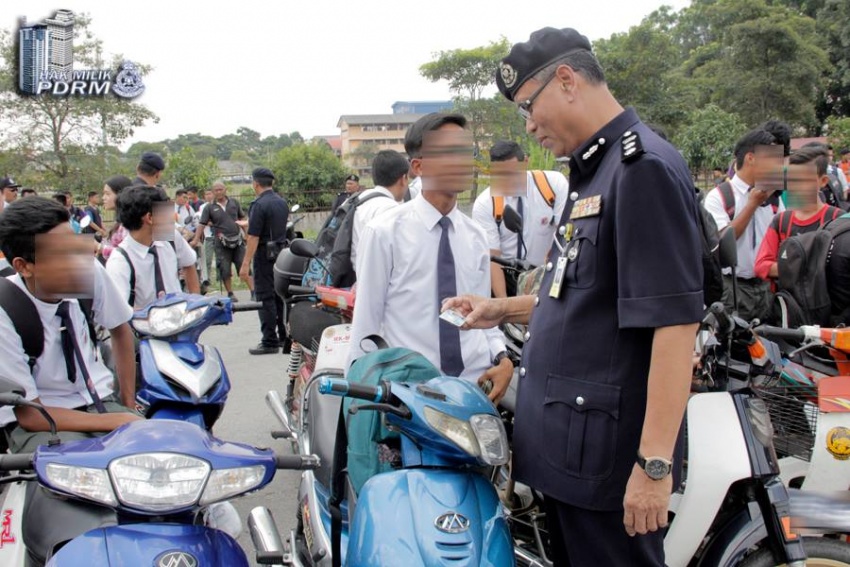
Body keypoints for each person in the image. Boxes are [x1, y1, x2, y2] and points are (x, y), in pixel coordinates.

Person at [443, 28, 703, 566]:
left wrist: (653, 466)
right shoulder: (592, 175)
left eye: (527, 109)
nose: (530, 125)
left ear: (565, 81)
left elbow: (674, 323)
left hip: (607, 462)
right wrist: (502, 308)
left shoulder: (641, 169)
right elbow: (582, 296)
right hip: (570, 453)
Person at [348, 113, 512, 403]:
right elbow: (366, 325)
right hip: (411, 391)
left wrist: (502, 357)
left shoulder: (475, 236)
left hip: (475, 386)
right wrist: (361, 401)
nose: (462, 161)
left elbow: (482, 313)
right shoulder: (385, 232)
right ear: (418, 166)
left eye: (466, 151)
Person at [0, 197, 140, 453]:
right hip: (43, 418)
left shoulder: (87, 271)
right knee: (68, 471)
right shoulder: (5, 310)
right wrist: (114, 420)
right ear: (23, 266)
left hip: (99, 400)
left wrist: (127, 404)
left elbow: (120, 329)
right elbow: (29, 416)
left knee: (152, 456)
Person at [703, 129, 784, 321]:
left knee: (766, 346)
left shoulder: (773, 197)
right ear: (751, 158)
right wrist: (752, 204)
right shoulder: (720, 196)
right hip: (733, 289)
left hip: (765, 288)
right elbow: (722, 244)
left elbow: (783, 235)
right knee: (732, 345)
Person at [471, 140, 568, 297]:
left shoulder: (552, 185)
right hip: (508, 278)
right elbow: (492, 259)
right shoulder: (486, 203)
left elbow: (564, 233)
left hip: (547, 273)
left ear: (526, 161)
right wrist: (504, 306)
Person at [755, 146, 844, 282]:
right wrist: (801, 268)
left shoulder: (839, 221)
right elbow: (761, 266)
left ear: (823, 181)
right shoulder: (782, 221)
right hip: (789, 302)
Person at [105, 185, 199, 309]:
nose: (171, 215)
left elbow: (189, 263)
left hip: (180, 322)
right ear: (150, 218)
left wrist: (196, 305)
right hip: (144, 326)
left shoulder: (170, 237)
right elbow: (118, 311)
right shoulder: (120, 260)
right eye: (165, 210)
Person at [240, 168, 289, 355]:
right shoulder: (281, 202)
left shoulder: (258, 205)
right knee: (280, 296)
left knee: (264, 297)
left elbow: (253, 237)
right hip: (281, 254)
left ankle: (269, 340)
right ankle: (284, 336)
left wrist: (245, 263)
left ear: (255, 183)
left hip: (264, 255)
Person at [350, 150, 409, 270]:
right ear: (403, 179)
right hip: (374, 279)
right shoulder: (390, 209)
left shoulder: (360, 198)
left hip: (354, 275)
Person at [192, 181, 250, 302]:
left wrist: (247, 234)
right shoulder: (209, 207)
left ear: (225, 190)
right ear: (213, 192)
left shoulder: (234, 202)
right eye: (216, 190)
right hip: (221, 242)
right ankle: (230, 293)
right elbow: (202, 224)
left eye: (220, 189)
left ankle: (253, 291)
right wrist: (196, 239)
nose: (218, 192)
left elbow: (242, 218)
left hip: (238, 240)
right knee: (224, 268)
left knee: (244, 265)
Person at [99, 175, 133, 261]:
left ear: (120, 195)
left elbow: (128, 255)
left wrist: (99, 247)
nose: (103, 198)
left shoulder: (129, 223)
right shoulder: (120, 220)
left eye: (107, 194)